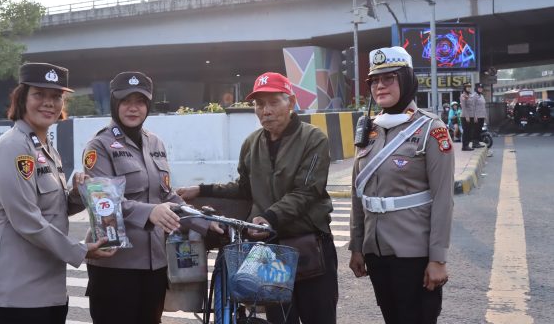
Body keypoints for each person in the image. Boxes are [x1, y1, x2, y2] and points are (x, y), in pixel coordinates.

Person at [177, 72, 338, 324]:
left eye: (274, 102)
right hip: (268, 252)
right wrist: (202, 189)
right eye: (259, 104)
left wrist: (269, 217)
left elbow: (306, 191)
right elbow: (243, 188)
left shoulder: (313, 138)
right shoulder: (251, 143)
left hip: (309, 246)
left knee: (319, 317)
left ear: (291, 102)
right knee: (277, 319)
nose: (266, 110)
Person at [0, 63, 116, 324]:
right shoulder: (14, 147)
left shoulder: (44, 147)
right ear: (21, 99)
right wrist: (80, 250)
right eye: (39, 94)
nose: (49, 103)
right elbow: (26, 219)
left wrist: (77, 194)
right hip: (16, 288)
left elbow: (53, 207)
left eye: (56, 97)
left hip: (47, 287)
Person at [81, 71, 216, 324]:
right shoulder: (99, 146)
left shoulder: (155, 143)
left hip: (154, 265)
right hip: (115, 266)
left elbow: (167, 196)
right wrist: (149, 211)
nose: (134, 108)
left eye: (140, 101)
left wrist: (205, 222)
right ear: (114, 103)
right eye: (126, 101)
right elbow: (102, 204)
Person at [348, 47, 454, 324]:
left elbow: (443, 198)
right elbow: (357, 192)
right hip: (376, 252)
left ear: (406, 80)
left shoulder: (432, 129)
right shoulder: (368, 129)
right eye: (374, 80)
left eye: (389, 78)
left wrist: (438, 259)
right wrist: (357, 246)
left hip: (415, 254)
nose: (380, 86)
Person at [459, 84, 475, 151]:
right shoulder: (463, 95)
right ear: (464, 88)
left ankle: (467, 145)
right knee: (466, 131)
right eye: (467, 87)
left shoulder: (470, 95)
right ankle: (464, 146)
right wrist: (467, 116)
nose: (468, 88)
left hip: (471, 116)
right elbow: (464, 107)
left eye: (469, 87)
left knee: (469, 131)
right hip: (465, 116)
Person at [472, 83, 487, 148]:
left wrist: (485, 116)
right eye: (479, 88)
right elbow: (472, 107)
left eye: (481, 88)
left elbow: (483, 106)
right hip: (477, 116)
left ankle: (477, 142)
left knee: (479, 130)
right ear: (476, 88)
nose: (480, 89)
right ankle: (474, 143)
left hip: (482, 116)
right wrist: (474, 116)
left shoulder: (481, 96)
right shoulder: (474, 96)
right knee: (476, 129)